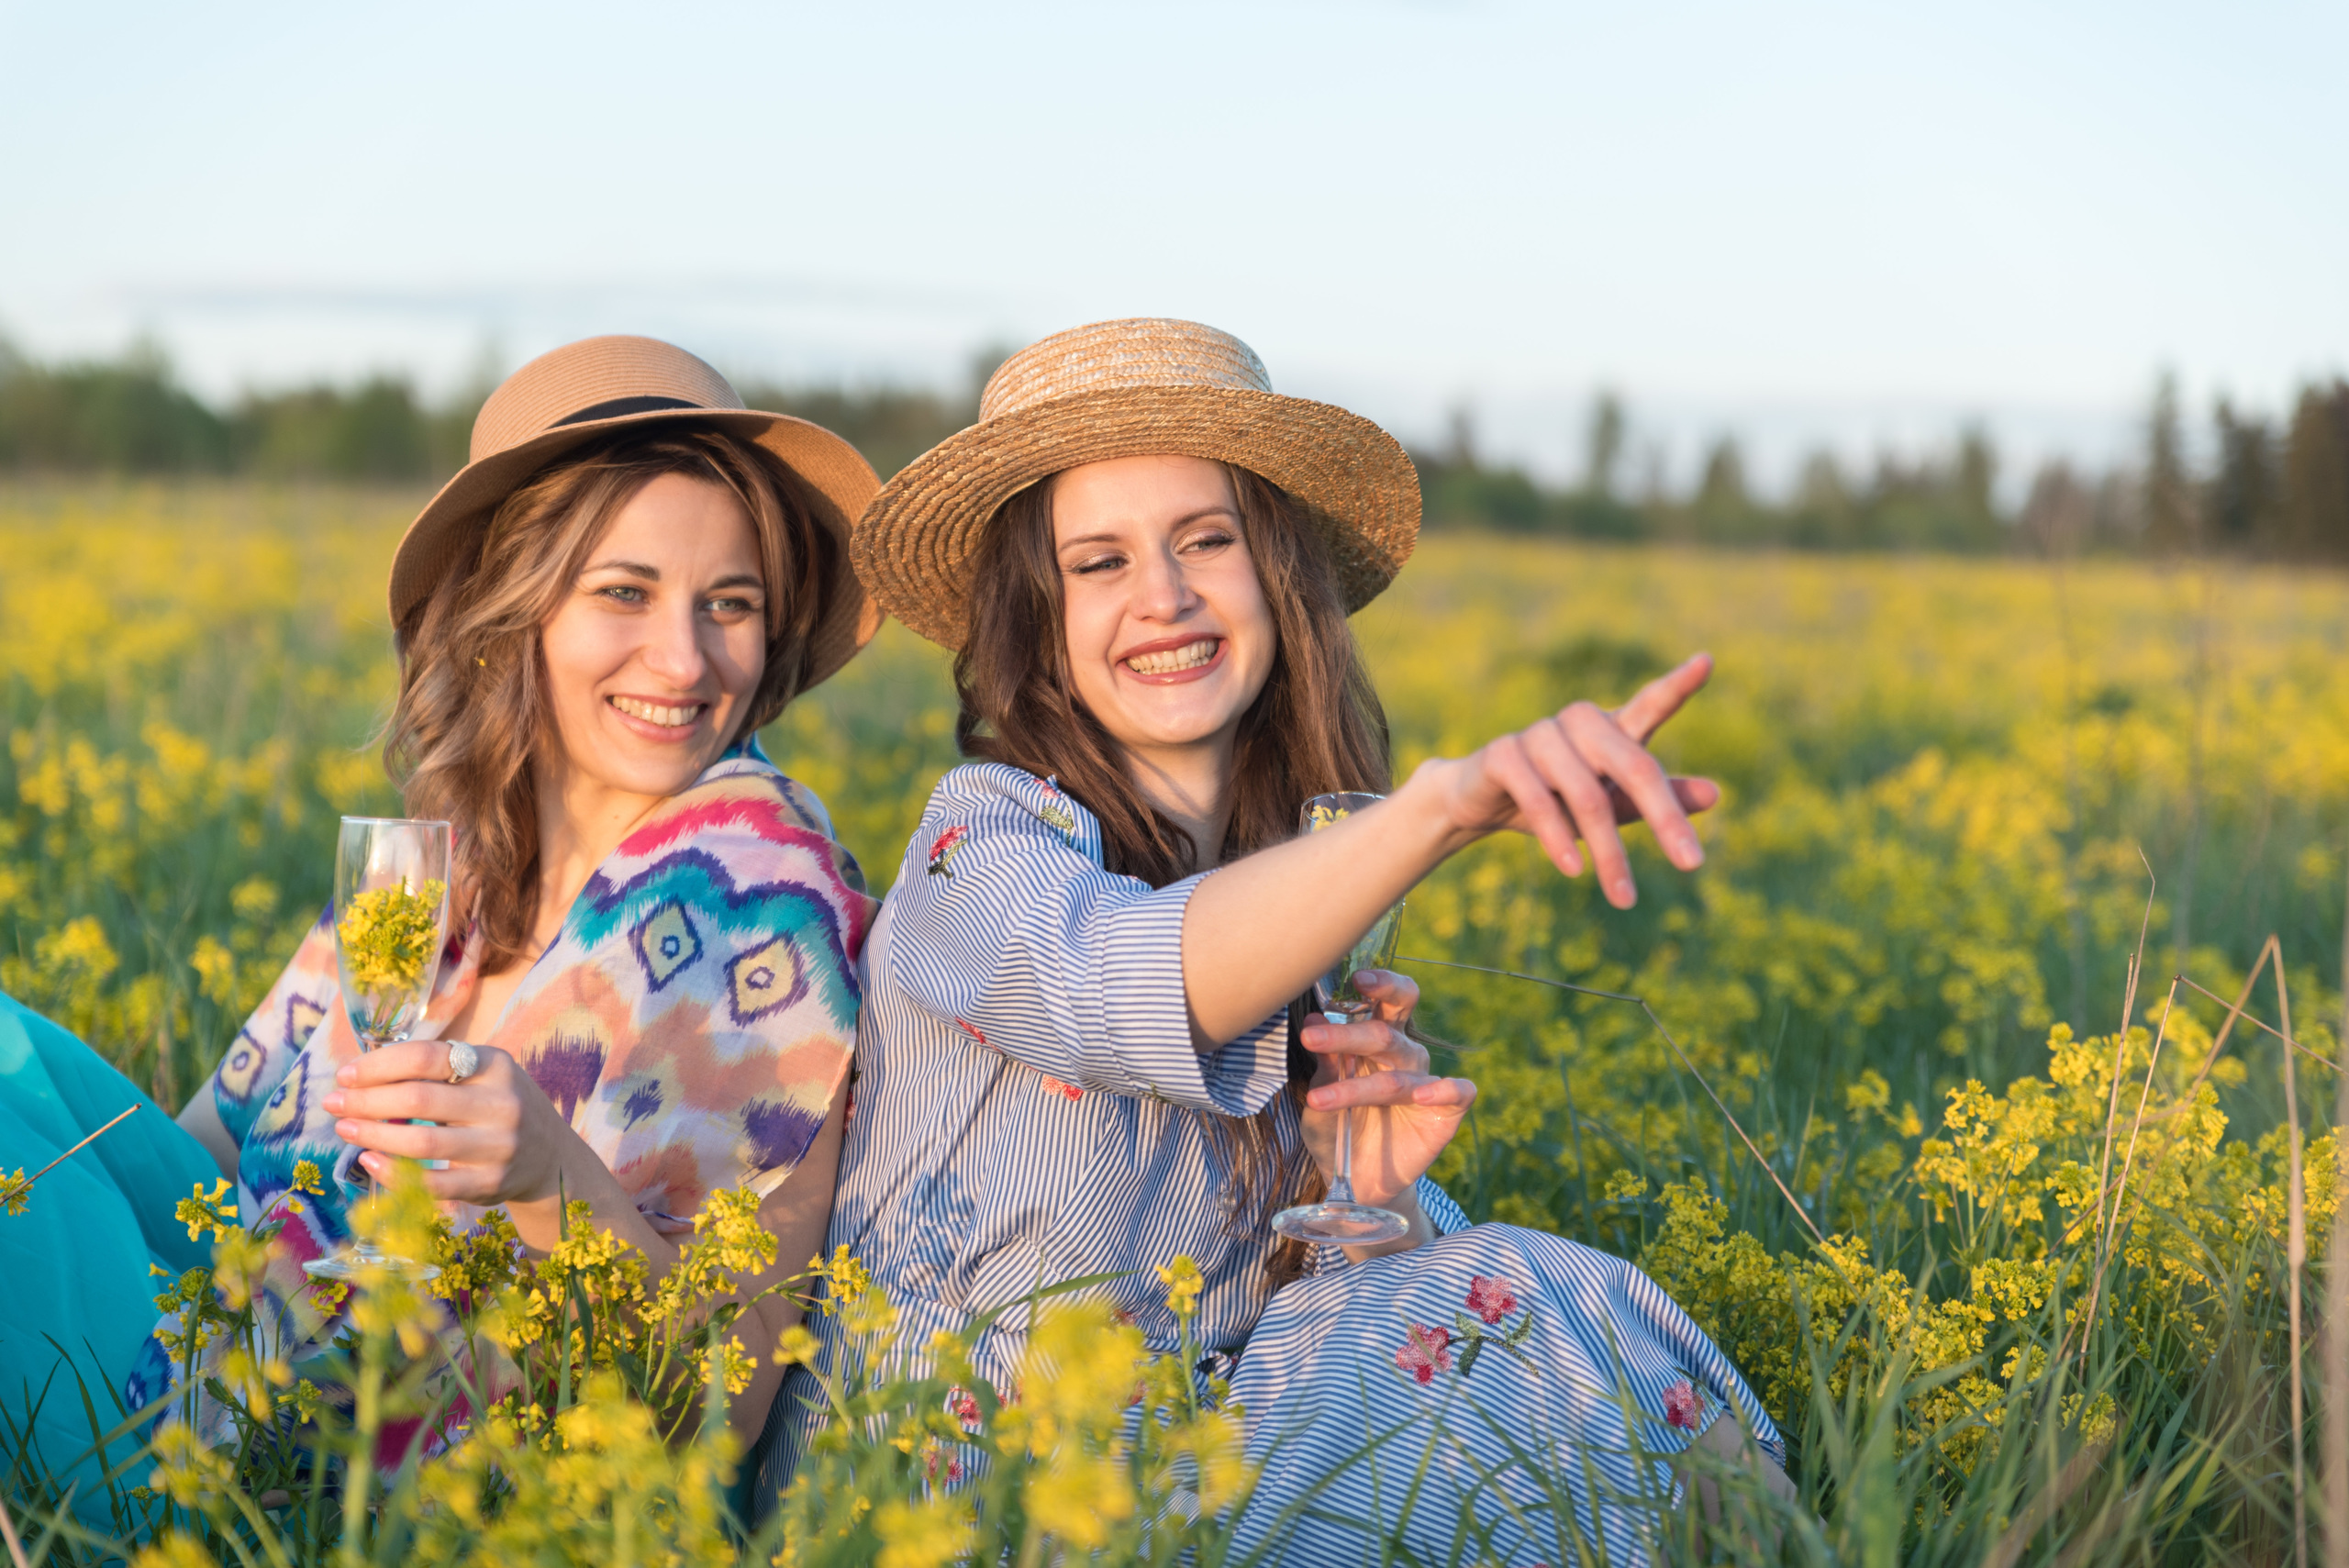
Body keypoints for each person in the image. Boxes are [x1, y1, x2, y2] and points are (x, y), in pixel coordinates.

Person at [764, 318, 1795, 1561]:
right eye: (1099, 562)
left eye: (1208, 539)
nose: (1165, 595)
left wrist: (1375, 1203)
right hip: (943, 1503)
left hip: (1169, 1463)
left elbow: (1272, 1313)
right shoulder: (975, 851)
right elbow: (1106, 979)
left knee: (1525, 1307)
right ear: (1037, 621)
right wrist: (1441, 808)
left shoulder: (1283, 894)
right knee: (1518, 1297)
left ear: (1280, 577)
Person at [1, 335, 882, 1505]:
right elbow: (203, 1160)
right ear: (507, 610)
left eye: (731, 604)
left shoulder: (768, 918)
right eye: (624, 591)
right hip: (221, 1351)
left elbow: (711, 1415)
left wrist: (547, 1174)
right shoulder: (434, 872)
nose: (684, 657)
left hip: (353, 1458)